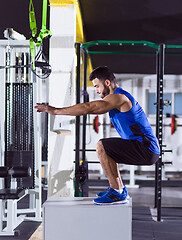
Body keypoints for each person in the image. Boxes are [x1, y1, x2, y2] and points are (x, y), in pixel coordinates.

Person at [35, 66, 160, 205]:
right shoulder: (117, 98)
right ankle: (119, 189)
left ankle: (116, 191)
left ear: (107, 83)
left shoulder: (120, 97)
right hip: (143, 147)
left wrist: (56, 111)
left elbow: (90, 107)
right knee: (109, 150)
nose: (97, 91)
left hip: (146, 148)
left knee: (102, 146)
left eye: (97, 86)